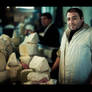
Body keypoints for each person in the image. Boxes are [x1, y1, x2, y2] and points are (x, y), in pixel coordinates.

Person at [59, 8, 92, 84]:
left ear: (82, 19)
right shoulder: (65, 33)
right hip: (62, 81)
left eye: (74, 18)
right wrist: (51, 71)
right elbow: (60, 53)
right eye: (68, 19)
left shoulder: (90, 34)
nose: (71, 22)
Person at [36, 13, 60, 80]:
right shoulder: (45, 27)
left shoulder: (53, 28)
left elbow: (47, 41)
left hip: (53, 53)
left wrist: (37, 36)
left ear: (50, 20)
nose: (42, 21)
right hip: (48, 51)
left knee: (52, 72)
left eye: (44, 19)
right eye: (41, 19)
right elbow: (38, 32)